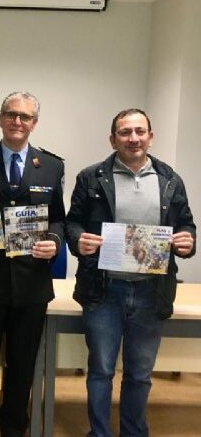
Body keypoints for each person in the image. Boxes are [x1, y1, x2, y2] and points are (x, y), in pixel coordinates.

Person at [65, 108, 196, 437]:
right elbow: (72, 222)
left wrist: (187, 240)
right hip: (104, 290)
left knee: (139, 374)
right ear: (113, 139)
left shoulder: (170, 179)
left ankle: (134, 433)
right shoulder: (91, 177)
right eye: (125, 132)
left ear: (150, 137)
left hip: (152, 291)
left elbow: (186, 225)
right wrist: (78, 239)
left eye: (139, 131)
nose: (133, 138)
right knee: (101, 370)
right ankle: (99, 433)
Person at [0, 91, 66, 437]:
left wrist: (55, 241)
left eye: (25, 116)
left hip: (32, 285)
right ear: (1, 118)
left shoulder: (52, 166)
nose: (17, 121)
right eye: (11, 114)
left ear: (34, 123)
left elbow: (58, 218)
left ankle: (13, 430)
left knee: (21, 369)